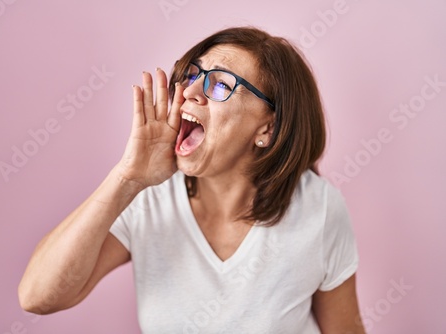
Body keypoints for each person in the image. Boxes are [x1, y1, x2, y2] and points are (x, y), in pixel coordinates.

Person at [18, 26, 366, 333]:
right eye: (192, 74)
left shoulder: (317, 209)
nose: (189, 91)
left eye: (221, 85)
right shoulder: (149, 196)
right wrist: (127, 177)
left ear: (268, 128)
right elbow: (37, 296)